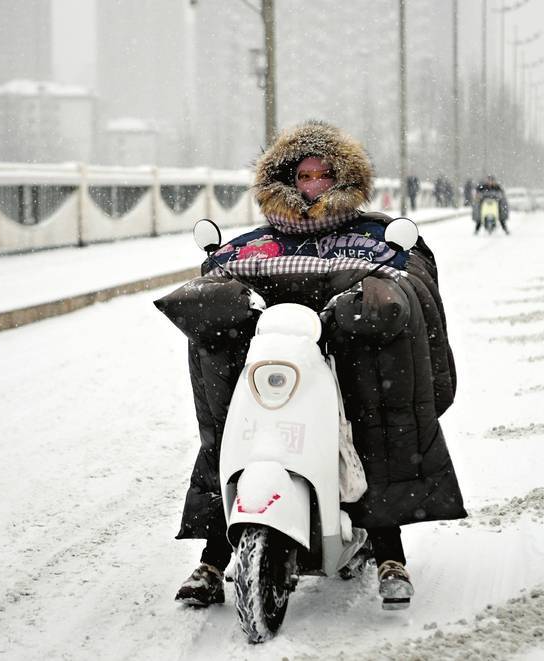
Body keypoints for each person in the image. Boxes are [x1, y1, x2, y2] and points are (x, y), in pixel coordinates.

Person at [154, 121, 466, 609]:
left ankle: (390, 556)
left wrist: (365, 306)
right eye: (303, 176)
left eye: (323, 175)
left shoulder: (376, 236)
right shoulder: (256, 244)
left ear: (343, 181)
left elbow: (410, 283)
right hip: (275, 368)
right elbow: (216, 281)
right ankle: (213, 561)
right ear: (286, 181)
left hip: (346, 367)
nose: (312, 184)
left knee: (373, 434)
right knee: (231, 435)